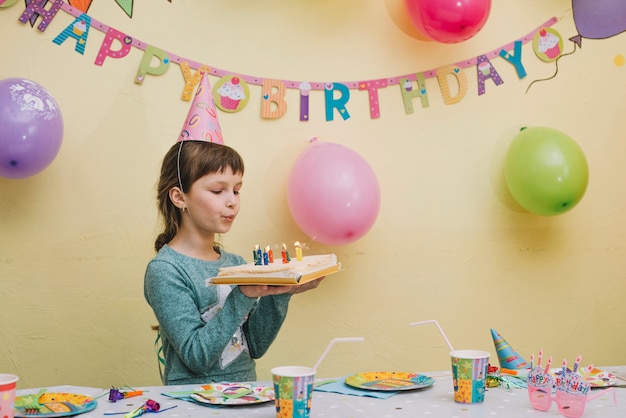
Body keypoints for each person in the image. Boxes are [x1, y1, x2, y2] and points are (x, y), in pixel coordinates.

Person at [144, 140, 323, 385]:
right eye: (218, 191)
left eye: (236, 190)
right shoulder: (166, 270)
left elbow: (254, 346)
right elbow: (196, 357)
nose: (232, 201)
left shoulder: (236, 264)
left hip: (244, 396)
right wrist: (242, 295)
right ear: (179, 197)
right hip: (194, 404)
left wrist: (281, 292)